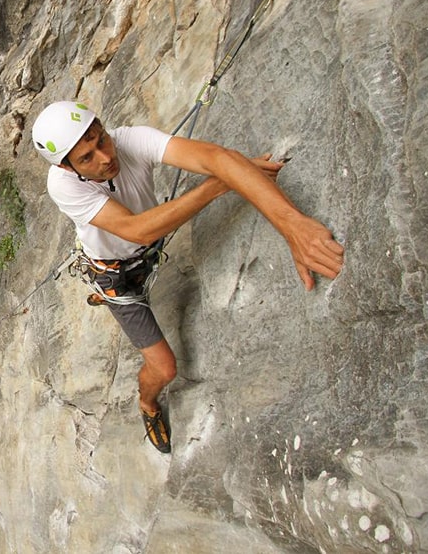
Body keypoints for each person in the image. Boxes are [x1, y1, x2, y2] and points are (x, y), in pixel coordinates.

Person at [32, 101, 345, 453]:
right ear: (67, 167)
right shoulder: (63, 186)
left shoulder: (131, 141)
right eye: (86, 158)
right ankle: (147, 404)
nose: (104, 157)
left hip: (144, 254)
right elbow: (137, 230)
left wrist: (292, 224)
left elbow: (216, 157)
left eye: (99, 138)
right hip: (115, 275)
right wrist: (219, 185)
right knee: (165, 369)